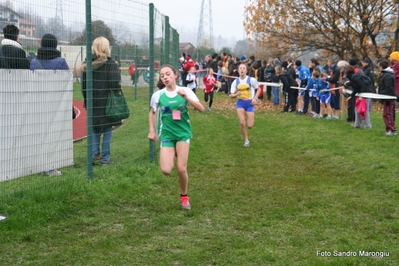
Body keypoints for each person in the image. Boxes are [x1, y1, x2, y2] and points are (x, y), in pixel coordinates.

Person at [148, 64, 204, 210]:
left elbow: (201, 109)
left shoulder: (185, 91)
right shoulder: (158, 95)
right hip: (167, 134)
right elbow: (152, 112)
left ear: (175, 75)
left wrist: (187, 98)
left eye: (168, 74)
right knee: (166, 170)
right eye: (162, 76)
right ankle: (172, 150)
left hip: (182, 133)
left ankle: (184, 196)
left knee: (181, 169)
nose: (165, 77)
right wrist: (152, 131)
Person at [30, 33, 70, 176]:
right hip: (55, 103)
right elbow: (66, 83)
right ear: (54, 44)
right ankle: (49, 167)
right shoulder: (61, 62)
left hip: (38, 103)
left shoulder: (34, 62)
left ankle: (39, 164)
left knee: (39, 135)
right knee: (53, 135)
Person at [81, 37, 121, 166]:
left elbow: (83, 85)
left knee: (94, 129)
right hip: (107, 101)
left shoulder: (87, 64)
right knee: (107, 129)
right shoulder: (110, 63)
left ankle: (92, 155)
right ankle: (105, 158)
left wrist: (87, 100)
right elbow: (115, 83)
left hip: (92, 100)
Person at [230, 63, 261, 147]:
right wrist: (236, 94)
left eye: (244, 68)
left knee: (250, 126)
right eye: (240, 68)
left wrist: (255, 98)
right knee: (242, 123)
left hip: (249, 103)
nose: (242, 70)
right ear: (238, 70)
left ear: (246, 71)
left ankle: (248, 117)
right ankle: (246, 140)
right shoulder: (235, 82)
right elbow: (231, 95)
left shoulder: (251, 80)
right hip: (240, 103)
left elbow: (259, 89)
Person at [344, 65, 372, 129]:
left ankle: (367, 125)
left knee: (365, 110)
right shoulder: (353, 77)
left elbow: (362, 85)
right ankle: (357, 124)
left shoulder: (354, 77)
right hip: (360, 94)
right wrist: (351, 96)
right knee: (357, 109)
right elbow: (356, 88)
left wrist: (361, 96)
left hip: (365, 94)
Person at [378, 60, 397, 136]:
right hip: (386, 96)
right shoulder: (386, 74)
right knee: (386, 114)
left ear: (381, 67)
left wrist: (388, 98)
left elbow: (389, 88)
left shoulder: (387, 76)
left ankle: (392, 129)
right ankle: (389, 129)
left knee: (388, 114)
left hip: (389, 97)